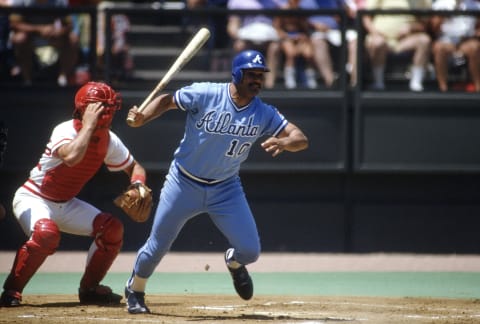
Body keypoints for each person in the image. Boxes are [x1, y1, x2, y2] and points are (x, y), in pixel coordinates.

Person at [123, 49, 309, 314]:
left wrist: (285, 141)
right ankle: (135, 289)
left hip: (226, 188)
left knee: (250, 251)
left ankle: (233, 263)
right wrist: (144, 117)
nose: (257, 80)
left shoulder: (263, 112)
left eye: (260, 75)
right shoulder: (206, 93)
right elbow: (166, 101)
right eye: (251, 74)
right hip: (183, 182)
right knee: (158, 245)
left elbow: (301, 138)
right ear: (236, 74)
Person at [0, 81, 149, 307]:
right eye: (99, 106)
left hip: (65, 203)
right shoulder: (65, 129)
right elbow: (71, 157)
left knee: (112, 229)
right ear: (83, 109)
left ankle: (89, 289)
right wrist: (88, 127)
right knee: (46, 235)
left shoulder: (108, 139)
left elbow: (135, 167)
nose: (105, 112)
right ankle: (12, 291)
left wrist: (138, 184)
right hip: (33, 197)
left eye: (108, 107)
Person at [362, 0, 432, 91]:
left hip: (406, 40)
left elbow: (424, 24)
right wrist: (376, 33)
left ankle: (416, 83)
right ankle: (378, 83)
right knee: (378, 43)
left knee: (424, 40)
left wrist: (411, 28)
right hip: (382, 39)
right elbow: (366, 17)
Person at [9, 0, 79, 86]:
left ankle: (63, 77)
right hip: (30, 36)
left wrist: (58, 31)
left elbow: (69, 24)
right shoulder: (20, 1)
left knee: (73, 39)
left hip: (52, 37)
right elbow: (14, 24)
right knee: (19, 39)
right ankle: (27, 80)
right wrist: (39, 29)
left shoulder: (60, 1)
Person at [227, 0, 282, 88]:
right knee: (239, 45)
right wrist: (238, 36)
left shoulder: (275, 2)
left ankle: (270, 86)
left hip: (268, 39)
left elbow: (278, 25)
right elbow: (232, 26)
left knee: (274, 47)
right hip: (247, 38)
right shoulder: (236, 1)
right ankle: (240, 84)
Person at [430, 0, 480, 92]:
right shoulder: (441, 3)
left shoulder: (475, 5)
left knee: (475, 47)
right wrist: (443, 16)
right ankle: (443, 88)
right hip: (447, 40)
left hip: (466, 40)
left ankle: (478, 87)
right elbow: (434, 28)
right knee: (439, 48)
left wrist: (476, 34)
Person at [274, 0, 318, 89]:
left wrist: (302, 37)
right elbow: (277, 29)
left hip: (300, 38)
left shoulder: (301, 11)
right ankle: (290, 80)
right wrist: (288, 37)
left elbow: (306, 30)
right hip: (286, 38)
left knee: (309, 54)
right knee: (291, 53)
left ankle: (310, 79)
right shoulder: (282, 10)